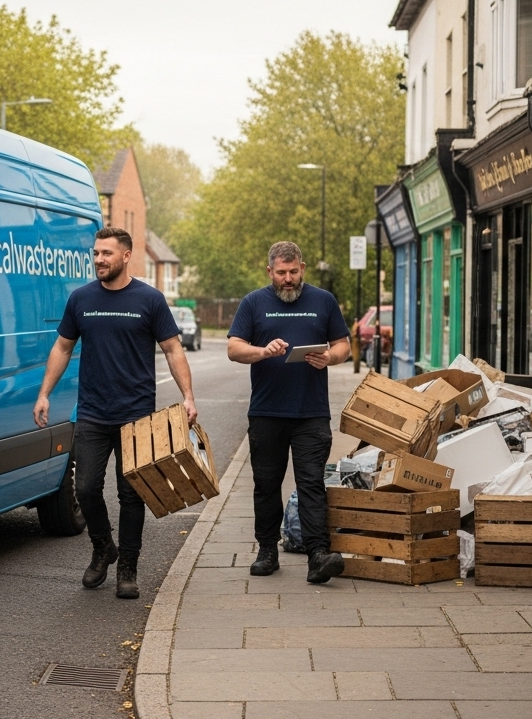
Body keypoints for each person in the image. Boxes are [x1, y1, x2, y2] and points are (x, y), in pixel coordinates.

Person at [34, 227, 198, 599]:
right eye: (95, 253)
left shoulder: (150, 299)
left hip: (136, 414)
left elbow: (173, 349)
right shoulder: (81, 299)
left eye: (106, 253)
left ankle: (128, 566)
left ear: (126, 256)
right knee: (86, 488)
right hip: (92, 411)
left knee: (131, 494)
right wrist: (44, 393)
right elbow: (62, 347)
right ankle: (103, 547)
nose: (98, 260)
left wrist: (188, 396)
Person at [227, 241, 352, 584]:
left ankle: (317, 554)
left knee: (311, 483)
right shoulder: (254, 302)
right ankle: (267, 550)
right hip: (266, 412)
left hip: (311, 412)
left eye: (293, 272)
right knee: (266, 484)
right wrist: (262, 351)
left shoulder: (323, 301)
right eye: (281, 273)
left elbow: (343, 345)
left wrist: (330, 357)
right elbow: (234, 349)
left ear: (303, 268)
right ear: (269, 272)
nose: (288, 279)